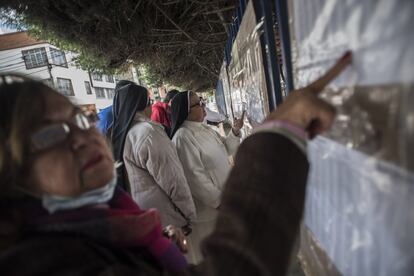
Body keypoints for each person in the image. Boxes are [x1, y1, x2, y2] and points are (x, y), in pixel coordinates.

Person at [0, 51, 351, 275]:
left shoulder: (110, 228)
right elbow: (180, 179)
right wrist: (278, 136)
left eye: (79, 120)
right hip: (206, 211)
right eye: (49, 135)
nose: (80, 137)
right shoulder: (53, 263)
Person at [170, 91, 245, 264]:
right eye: (199, 103)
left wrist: (235, 130)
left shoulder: (204, 128)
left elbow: (226, 148)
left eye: (202, 101)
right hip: (208, 211)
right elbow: (195, 177)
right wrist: (219, 202)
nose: (203, 106)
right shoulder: (183, 137)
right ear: (186, 111)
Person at [111, 83, 196, 229]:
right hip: (166, 218)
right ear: (144, 105)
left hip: (141, 215)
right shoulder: (148, 132)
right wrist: (189, 214)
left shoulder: (120, 133)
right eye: (149, 102)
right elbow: (172, 179)